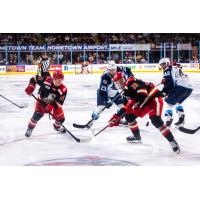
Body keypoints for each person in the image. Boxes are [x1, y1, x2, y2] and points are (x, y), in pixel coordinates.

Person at [108, 76, 180, 154]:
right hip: (143, 102)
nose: (118, 84)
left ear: (123, 79)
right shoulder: (125, 92)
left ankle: (172, 141)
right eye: (116, 83)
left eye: (119, 81)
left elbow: (142, 94)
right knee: (129, 117)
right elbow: (126, 108)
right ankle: (137, 137)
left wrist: (135, 103)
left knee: (156, 121)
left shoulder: (131, 82)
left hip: (153, 99)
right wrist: (116, 117)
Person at [88, 60, 133, 128]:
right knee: (100, 108)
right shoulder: (105, 77)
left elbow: (128, 70)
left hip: (113, 90)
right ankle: (91, 121)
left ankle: (119, 119)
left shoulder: (120, 68)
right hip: (103, 91)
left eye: (113, 70)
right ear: (107, 69)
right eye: (110, 70)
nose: (112, 71)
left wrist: (130, 78)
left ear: (116, 68)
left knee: (123, 106)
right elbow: (103, 91)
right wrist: (107, 101)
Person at [24, 70, 67, 137]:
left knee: (61, 119)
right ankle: (30, 129)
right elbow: (34, 78)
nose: (59, 81)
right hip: (41, 101)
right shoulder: (47, 80)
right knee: (37, 116)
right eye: (57, 79)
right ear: (53, 78)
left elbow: (60, 102)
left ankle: (56, 127)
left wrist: (50, 106)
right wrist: (31, 87)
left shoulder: (63, 89)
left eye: (61, 79)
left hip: (53, 103)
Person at [159, 58, 193, 128]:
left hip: (181, 87)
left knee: (169, 104)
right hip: (189, 88)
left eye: (164, 64)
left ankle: (168, 122)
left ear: (168, 63)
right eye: (161, 65)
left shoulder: (167, 70)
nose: (163, 66)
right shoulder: (175, 67)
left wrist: (164, 92)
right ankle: (181, 120)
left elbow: (171, 83)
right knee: (178, 103)